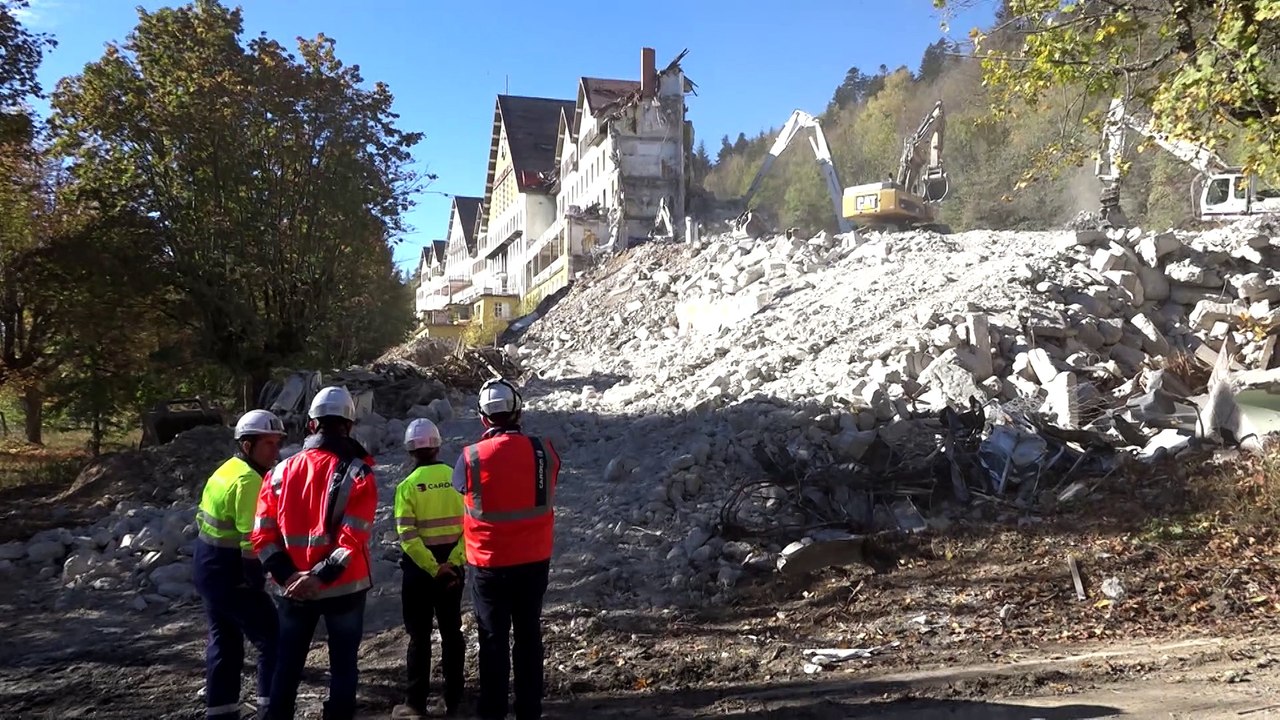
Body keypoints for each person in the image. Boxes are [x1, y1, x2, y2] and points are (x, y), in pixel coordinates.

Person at [251, 386, 378, 720]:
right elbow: (352, 538)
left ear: (311, 425)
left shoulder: (278, 472)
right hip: (344, 588)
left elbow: (262, 536)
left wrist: (290, 577)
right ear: (349, 426)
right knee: (343, 669)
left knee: (287, 666)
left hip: (292, 590)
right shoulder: (358, 473)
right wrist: (319, 576)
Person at [452, 378, 561, 720]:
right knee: (529, 635)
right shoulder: (544, 450)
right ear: (519, 411)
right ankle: (529, 710)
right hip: (534, 560)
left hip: (489, 564)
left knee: (493, 639)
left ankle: (493, 711)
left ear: (483, 418)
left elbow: (461, 488)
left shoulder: (470, 456)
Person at [194, 409, 287, 719]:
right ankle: (270, 710)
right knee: (273, 639)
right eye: (269, 444)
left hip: (207, 566)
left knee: (225, 642)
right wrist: (257, 582)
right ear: (248, 446)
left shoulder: (227, 469)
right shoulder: (249, 481)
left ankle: (220, 712)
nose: (276, 451)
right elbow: (253, 542)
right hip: (232, 571)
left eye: (278, 443)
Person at [391, 418, 467, 719]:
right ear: (437, 446)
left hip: (419, 572)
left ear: (410, 450)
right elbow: (471, 528)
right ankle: (456, 700)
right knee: (452, 633)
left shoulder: (407, 487)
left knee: (419, 637)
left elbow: (407, 538)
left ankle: (415, 703)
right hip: (452, 569)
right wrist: (453, 563)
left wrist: (433, 567)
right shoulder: (456, 479)